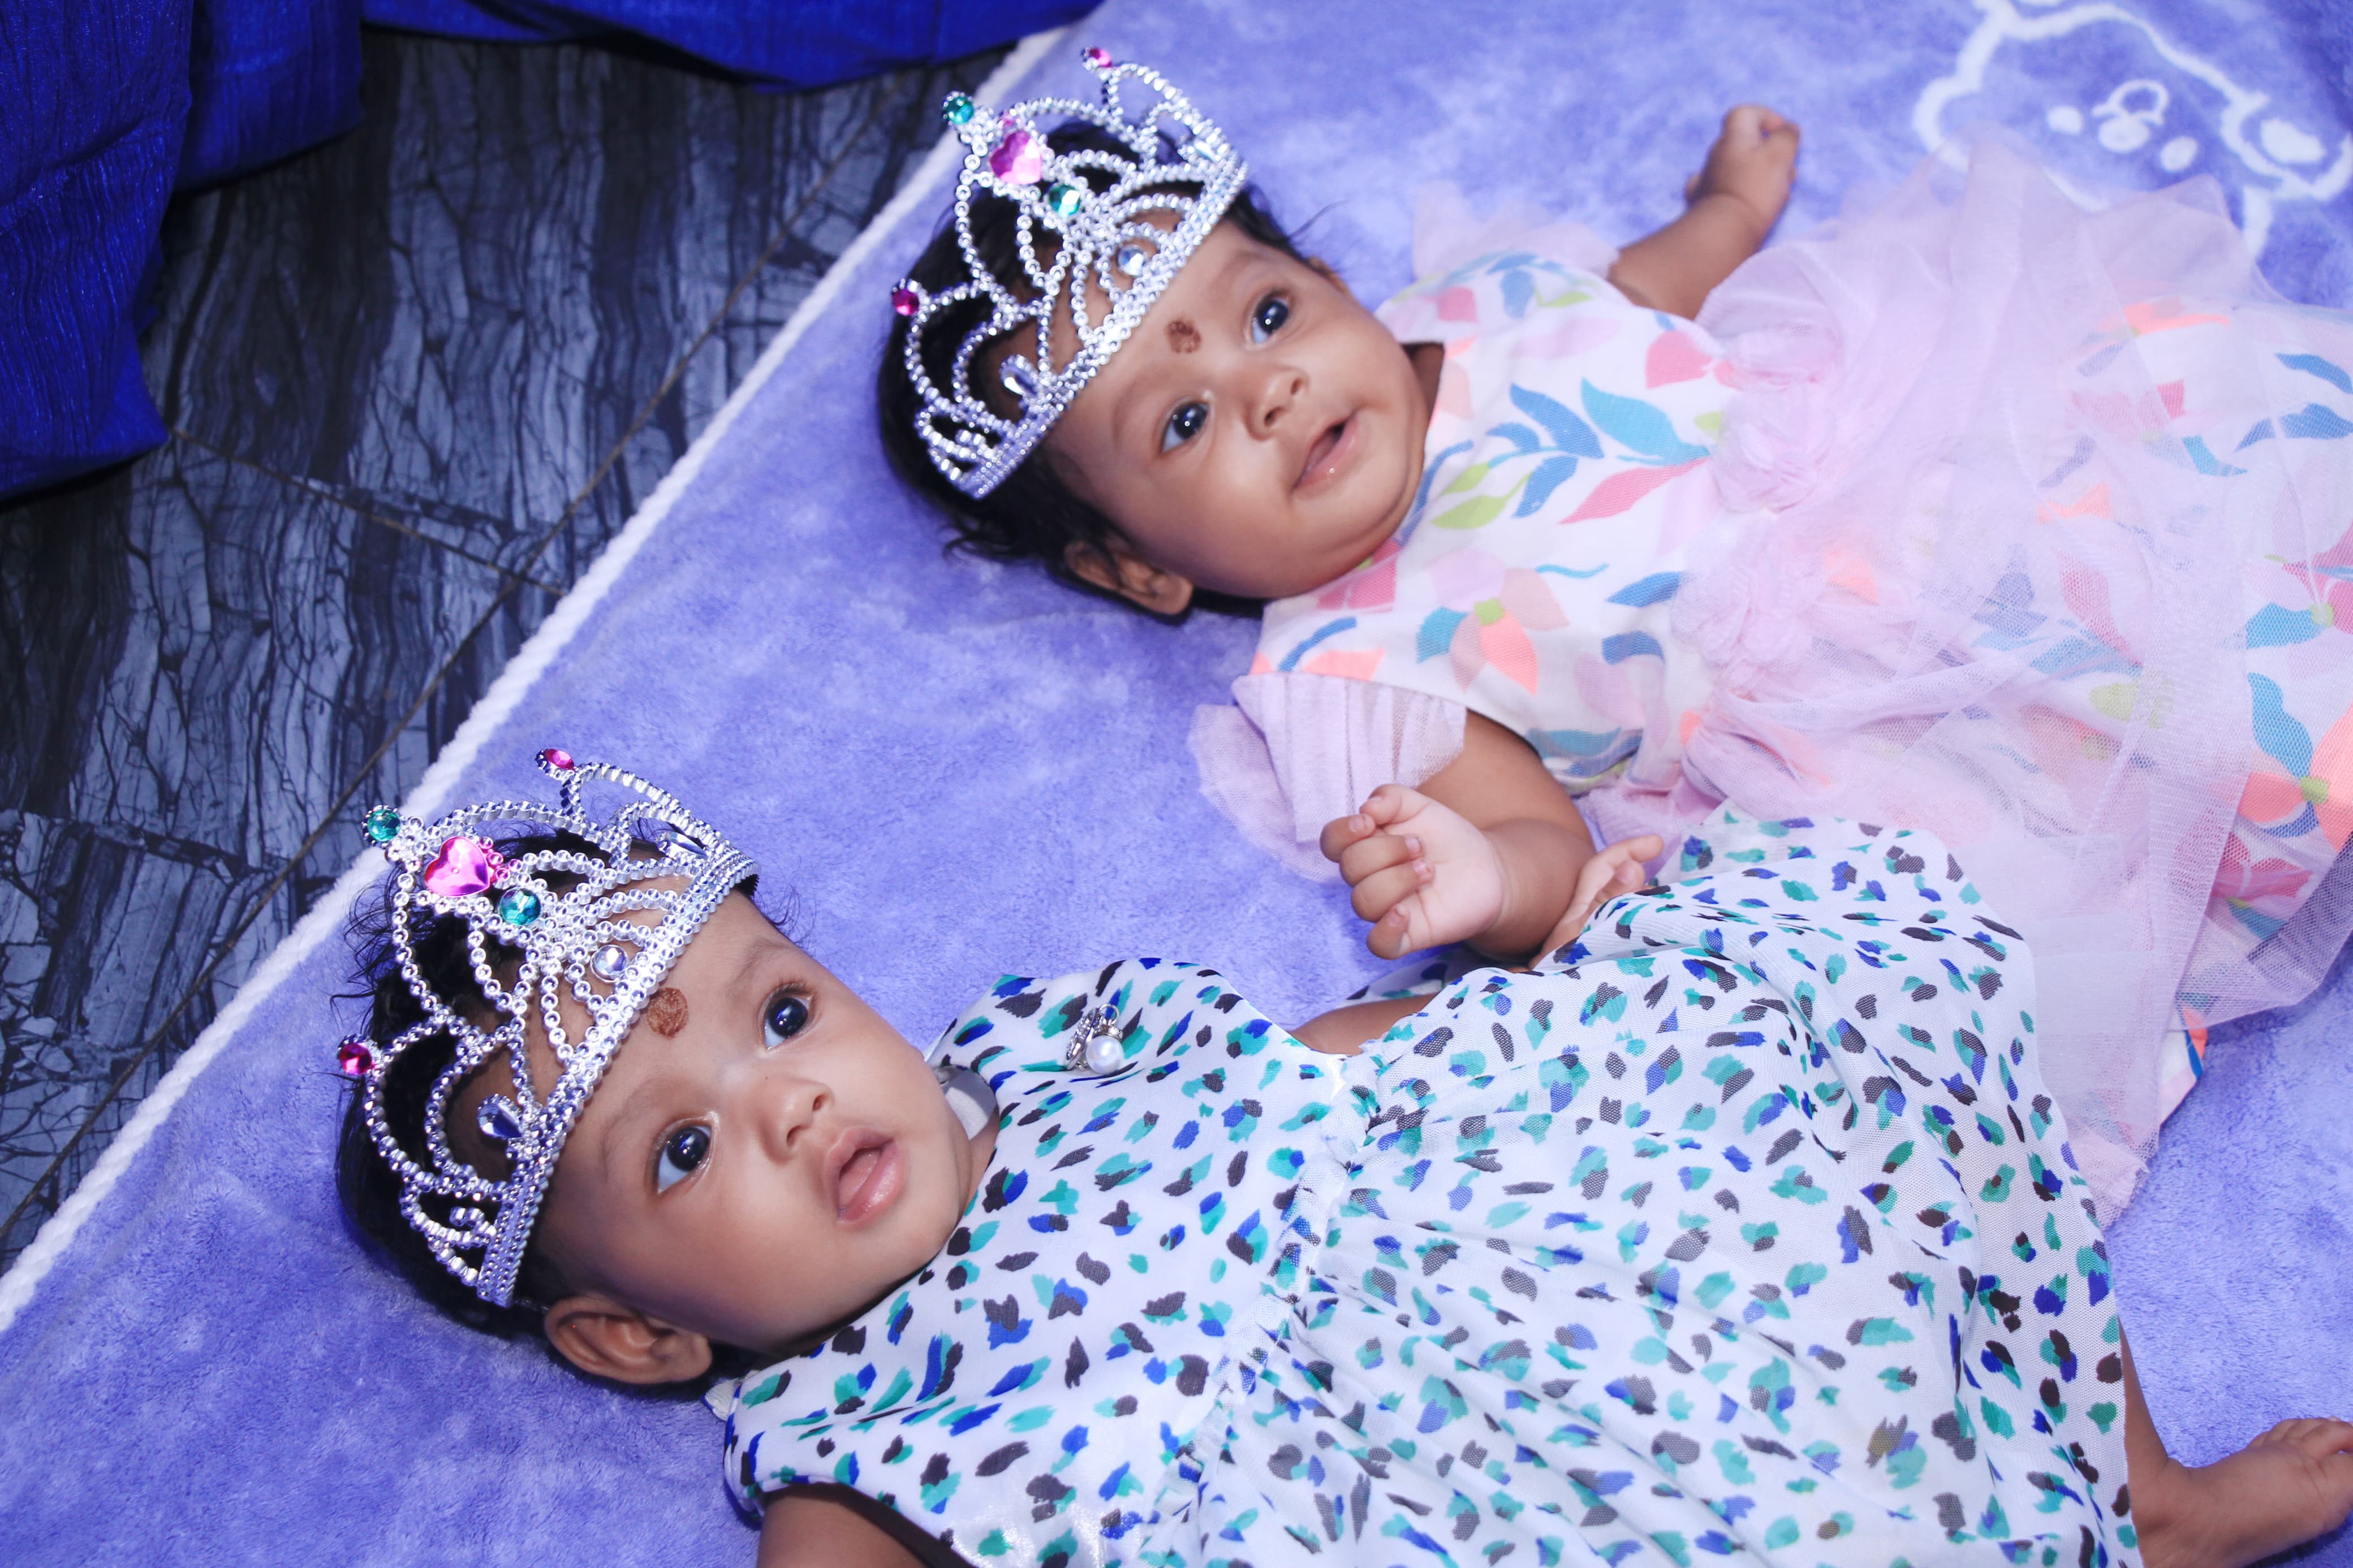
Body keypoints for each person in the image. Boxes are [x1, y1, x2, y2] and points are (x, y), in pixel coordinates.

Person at [876, 52, 2353, 1214]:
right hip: (1844, 701)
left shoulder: (1475, 307)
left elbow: (1651, 292)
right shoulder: (1343, 670)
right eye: (1184, 420)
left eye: (1265, 313)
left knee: (2197, 430)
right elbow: (1547, 857)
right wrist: (1470, 880)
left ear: (1325, 280)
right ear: (1141, 569)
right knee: (2170, 743)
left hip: (1928, 453)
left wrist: (1729, 213)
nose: (1270, 389)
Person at [336, 751, 2353, 1567]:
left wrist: (1554, 988)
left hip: (1562, 1248)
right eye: (686, 1147)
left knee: (1837, 1001)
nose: (789, 1099)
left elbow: (1312, 1067)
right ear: (632, 1339)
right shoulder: (862, 1442)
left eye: (782, 1014)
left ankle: (2131, 1487)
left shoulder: (1044, 1054)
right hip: (1455, 1507)